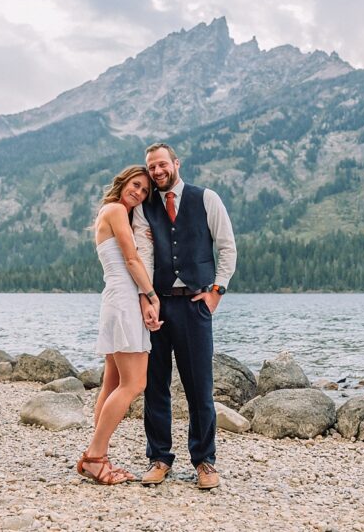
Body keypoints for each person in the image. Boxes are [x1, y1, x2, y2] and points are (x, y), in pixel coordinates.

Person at [132, 142, 237, 490]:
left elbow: (227, 247)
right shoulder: (145, 208)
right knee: (156, 386)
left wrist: (216, 293)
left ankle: (205, 461)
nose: (158, 171)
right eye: (152, 167)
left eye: (162, 164)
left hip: (195, 306)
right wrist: (146, 298)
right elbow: (143, 255)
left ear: (176, 163)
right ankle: (159, 458)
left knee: (199, 387)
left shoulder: (207, 198)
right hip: (158, 302)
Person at [77, 165, 163, 485]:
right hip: (125, 300)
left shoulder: (114, 214)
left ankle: (98, 455)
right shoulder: (114, 209)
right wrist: (151, 296)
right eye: (136, 185)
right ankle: (95, 458)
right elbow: (131, 259)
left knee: (112, 383)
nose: (139, 193)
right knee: (134, 383)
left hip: (114, 298)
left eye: (144, 191)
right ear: (123, 181)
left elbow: (132, 251)